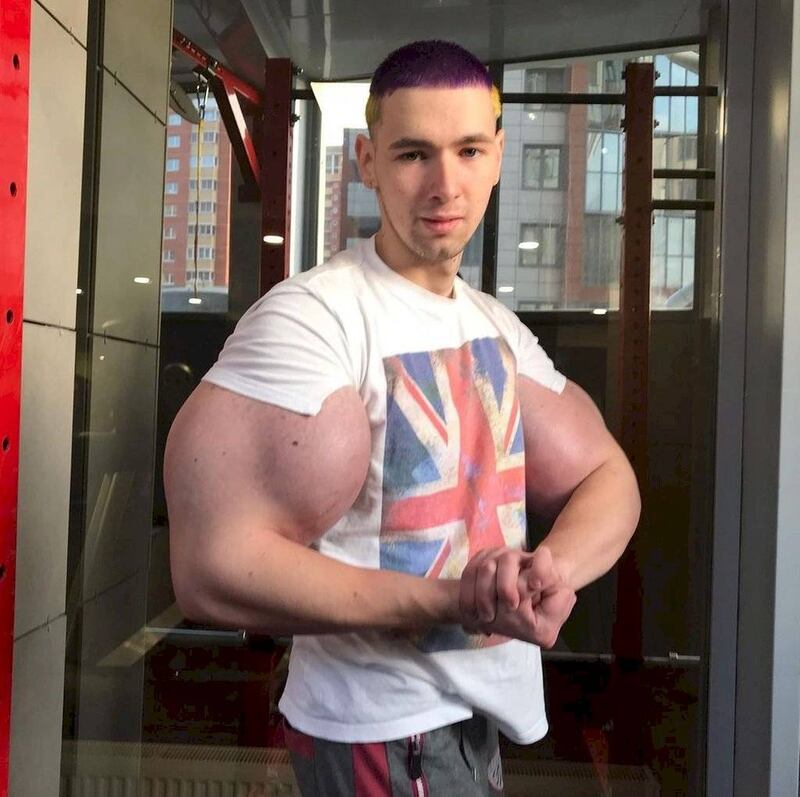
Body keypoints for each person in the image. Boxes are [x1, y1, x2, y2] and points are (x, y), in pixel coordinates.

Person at [164, 39, 640, 796]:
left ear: (498, 156)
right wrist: (456, 602)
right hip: (384, 731)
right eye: (414, 153)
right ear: (367, 161)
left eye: (469, 150)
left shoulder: (495, 327)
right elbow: (212, 568)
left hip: (473, 725)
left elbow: (609, 477)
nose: (445, 186)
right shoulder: (315, 318)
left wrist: (549, 572)